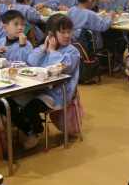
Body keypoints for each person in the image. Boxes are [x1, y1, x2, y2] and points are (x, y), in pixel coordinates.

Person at [8, 14, 79, 149]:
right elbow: (31, 63)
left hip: (56, 93)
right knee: (6, 103)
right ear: (51, 34)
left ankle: (38, 131)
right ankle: (28, 130)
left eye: (69, 32)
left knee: (30, 109)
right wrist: (43, 49)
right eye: (62, 32)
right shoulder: (45, 47)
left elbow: (65, 68)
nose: (67, 35)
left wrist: (52, 52)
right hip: (36, 89)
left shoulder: (72, 51)